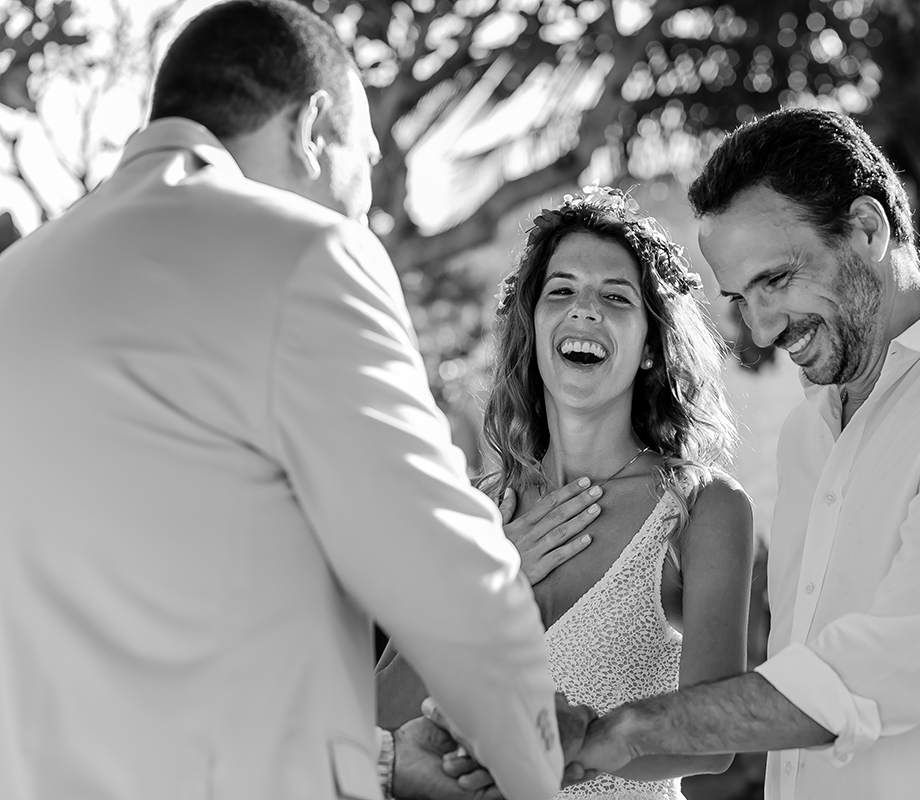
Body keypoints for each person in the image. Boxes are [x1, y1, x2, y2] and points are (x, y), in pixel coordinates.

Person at [0, 2, 588, 798]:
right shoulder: (308, 252)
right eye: (365, 164)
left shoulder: (16, 284)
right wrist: (537, 770)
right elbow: (448, 579)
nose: (370, 206)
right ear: (312, 127)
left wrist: (378, 759)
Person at [573, 108, 920, 800]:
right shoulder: (807, 432)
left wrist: (630, 730)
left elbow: (888, 671)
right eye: (740, 298)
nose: (761, 328)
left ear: (868, 230)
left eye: (776, 281)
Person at [377, 185, 755, 800]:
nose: (585, 310)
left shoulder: (699, 508)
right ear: (533, 328)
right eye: (561, 291)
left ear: (651, 347)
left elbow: (713, 742)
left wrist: (561, 748)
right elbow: (377, 718)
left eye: (616, 296)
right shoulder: (470, 512)